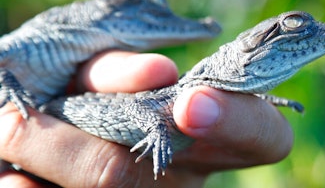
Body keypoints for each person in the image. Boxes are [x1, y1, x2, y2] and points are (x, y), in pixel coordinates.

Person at [0, 50, 293, 188]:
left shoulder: (201, 97)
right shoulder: (175, 97)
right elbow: (137, 106)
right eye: (294, 26)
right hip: (52, 115)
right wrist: (157, 129)